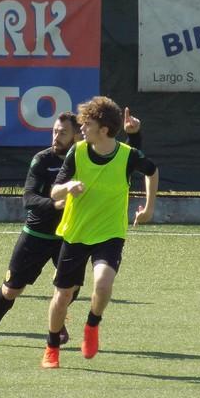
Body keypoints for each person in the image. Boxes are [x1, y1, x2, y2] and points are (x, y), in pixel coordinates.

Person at [0, 108, 142, 346]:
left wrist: (134, 136)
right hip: (37, 236)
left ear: (76, 136)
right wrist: (55, 204)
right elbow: (28, 198)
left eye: (62, 133)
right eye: (54, 131)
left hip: (70, 235)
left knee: (69, 289)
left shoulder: (85, 155)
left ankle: (56, 322)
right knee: (11, 289)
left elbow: (123, 159)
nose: (55, 137)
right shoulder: (42, 160)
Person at [41, 96, 158, 369]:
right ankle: (51, 347)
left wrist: (149, 208)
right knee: (63, 296)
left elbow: (152, 171)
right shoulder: (77, 152)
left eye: (88, 123)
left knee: (103, 285)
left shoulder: (127, 156)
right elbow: (54, 191)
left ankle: (92, 324)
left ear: (104, 129)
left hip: (110, 233)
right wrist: (68, 187)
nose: (82, 128)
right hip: (76, 233)